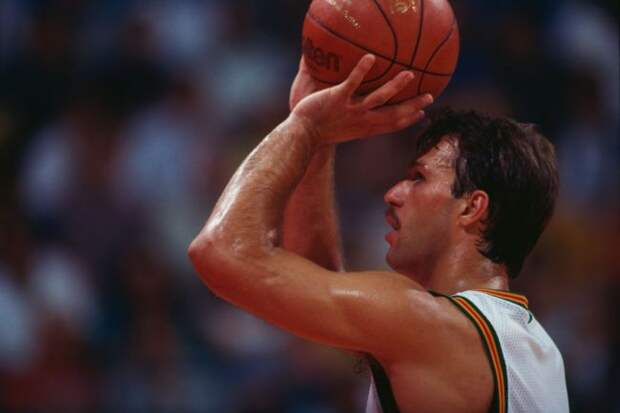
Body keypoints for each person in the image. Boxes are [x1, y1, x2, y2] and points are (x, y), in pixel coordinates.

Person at [188, 55, 569, 413]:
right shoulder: (539, 350)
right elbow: (314, 286)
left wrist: (304, 127)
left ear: (472, 208)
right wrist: (320, 144)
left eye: (418, 178)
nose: (393, 193)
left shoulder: (425, 323)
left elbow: (220, 252)